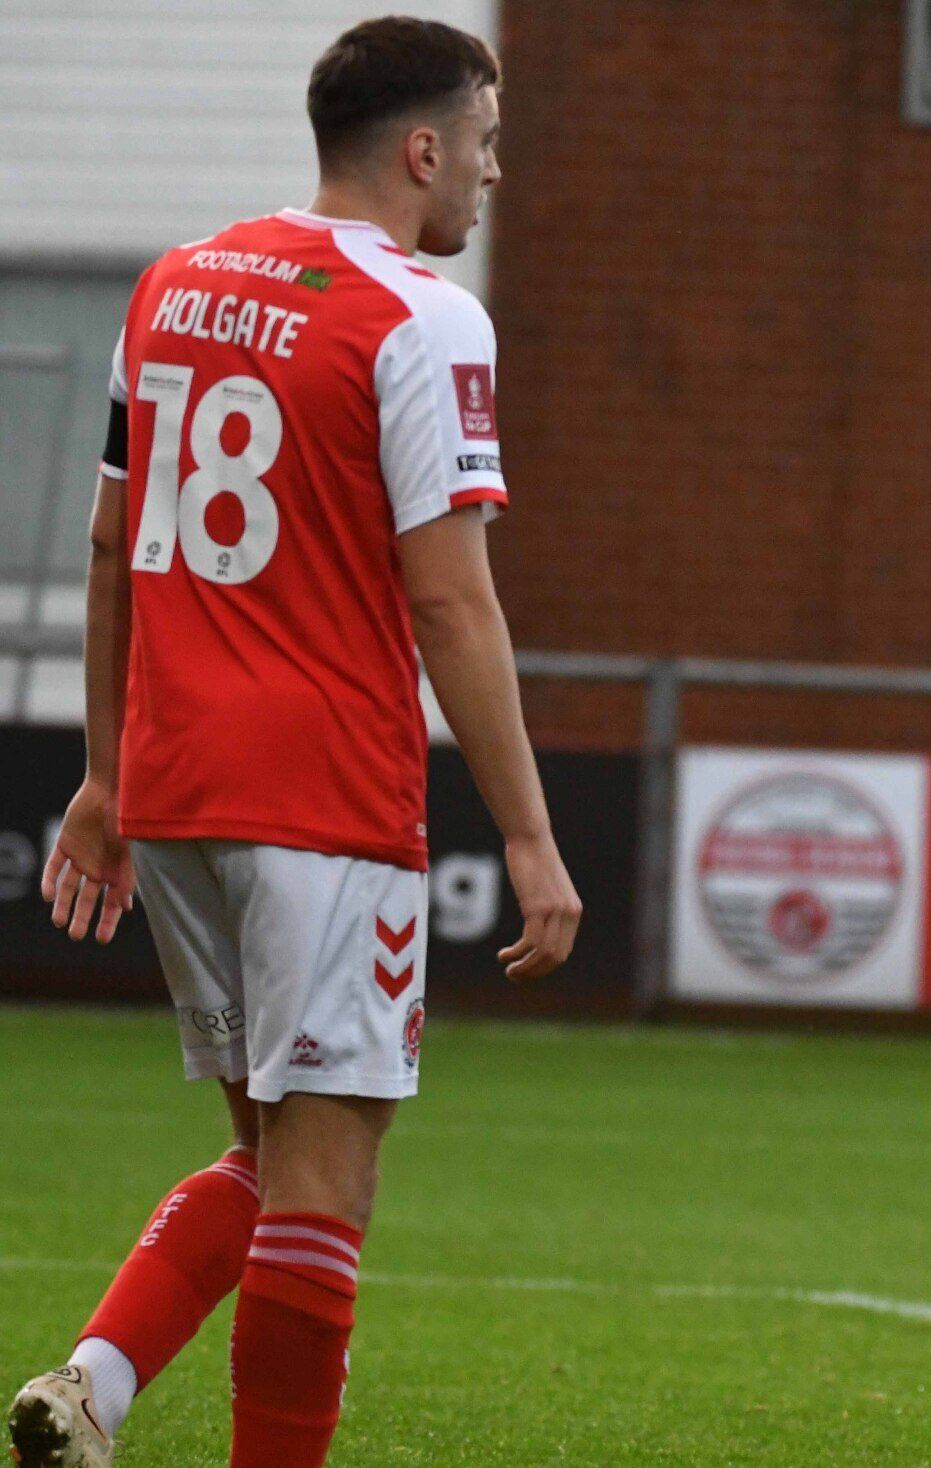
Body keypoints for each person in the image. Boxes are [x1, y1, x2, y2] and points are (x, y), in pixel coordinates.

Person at [7, 17, 581, 1468]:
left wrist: (105, 776)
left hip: (178, 788)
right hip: (325, 794)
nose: (495, 174)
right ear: (423, 148)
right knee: (326, 1188)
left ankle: (93, 1390)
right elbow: (450, 602)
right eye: (489, 143)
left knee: (264, 1157)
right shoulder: (424, 317)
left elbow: (110, 545)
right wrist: (528, 834)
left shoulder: (175, 280)